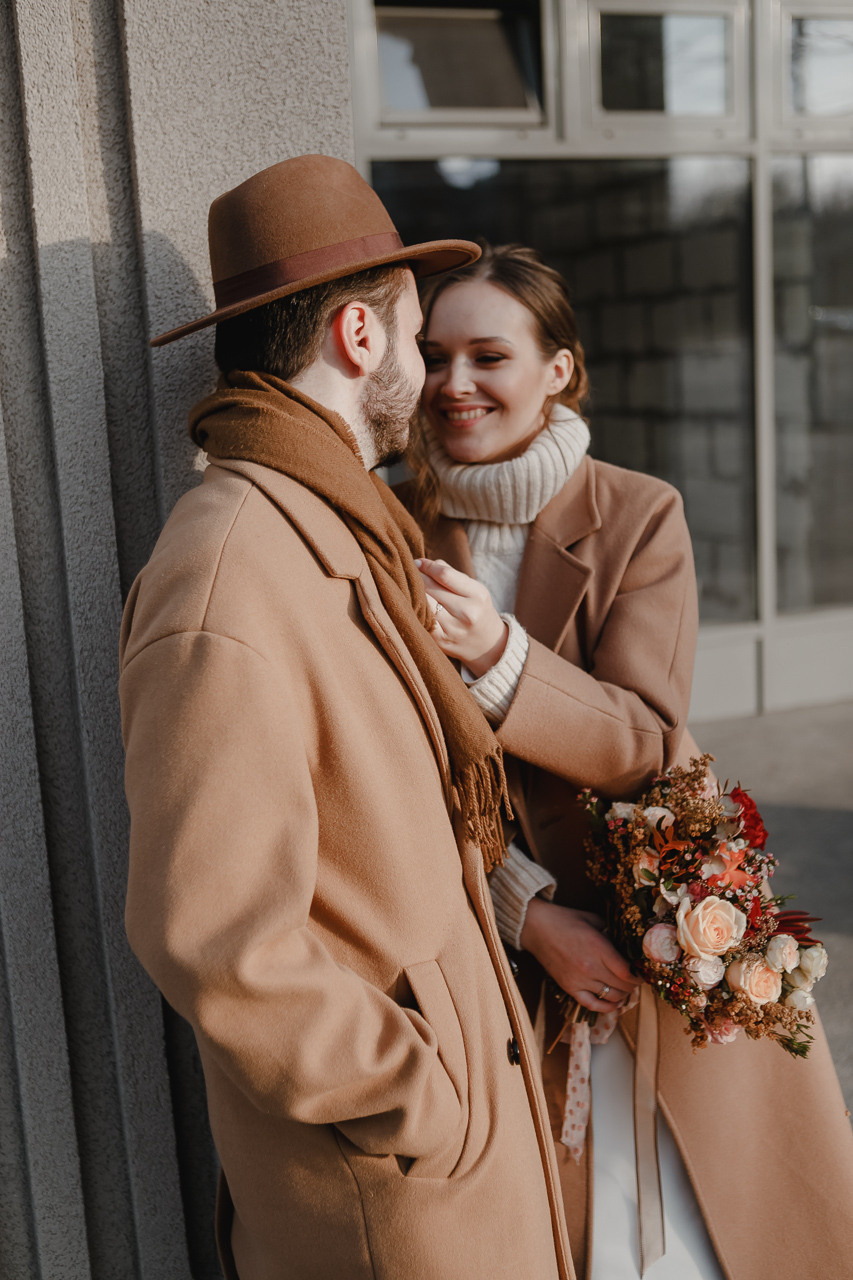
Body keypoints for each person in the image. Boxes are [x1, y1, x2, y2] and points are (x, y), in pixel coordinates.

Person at [119, 160, 575, 1280]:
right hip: (394, 1202)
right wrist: (423, 1093)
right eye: (420, 340)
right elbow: (215, 937)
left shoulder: (333, 526)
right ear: (359, 336)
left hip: (443, 1170)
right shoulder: (229, 573)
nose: (428, 373)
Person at [406, 242, 853, 1280]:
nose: (453, 384)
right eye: (434, 356)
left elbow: (645, 737)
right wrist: (520, 908)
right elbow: (387, 775)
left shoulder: (639, 512)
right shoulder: (394, 521)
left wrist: (498, 656)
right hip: (492, 947)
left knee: (715, 1215)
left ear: (558, 366)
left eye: (487, 354)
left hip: (664, 922)